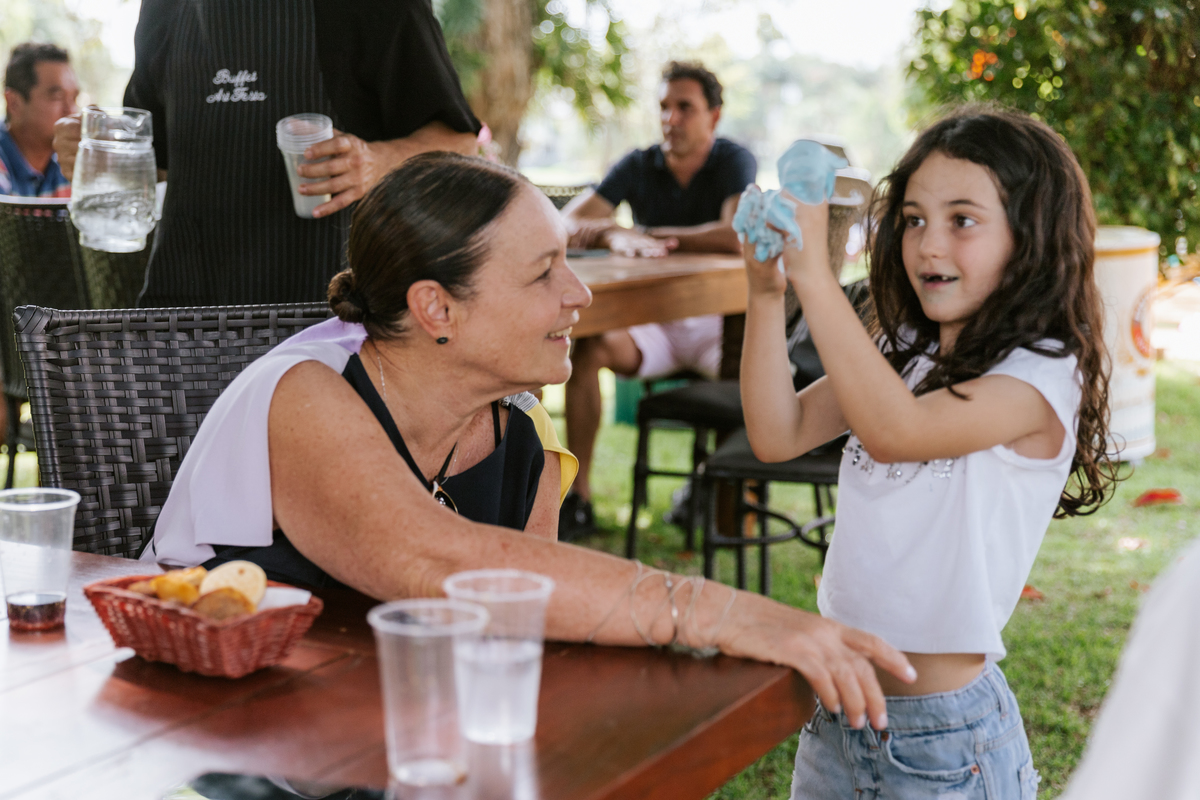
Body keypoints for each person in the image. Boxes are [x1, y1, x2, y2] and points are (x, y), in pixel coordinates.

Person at [143, 152, 917, 727]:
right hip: (205, 739)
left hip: (392, 730)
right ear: (437, 308)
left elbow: (533, 619)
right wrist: (730, 615)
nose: (579, 293)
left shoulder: (519, 427)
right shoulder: (306, 392)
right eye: (545, 272)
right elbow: (438, 563)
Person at [738, 108, 1117, 797]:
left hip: (946, 742)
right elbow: (778, 433)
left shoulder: (1040, 377)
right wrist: (767, 295)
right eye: (913, 219)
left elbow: (898, 433)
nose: (927, 244)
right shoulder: (901, 352)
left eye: (962, 220)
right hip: (839, 712)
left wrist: (817, 277)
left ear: (1031, 235)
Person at [53, 0, 480, 308]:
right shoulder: (166, 8)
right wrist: (97, 157)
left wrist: (376, 161)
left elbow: (460, 142)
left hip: (331, 317)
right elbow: (156, 159)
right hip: (185, 315)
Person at [559, 61, 755, 538]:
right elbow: (566, 222)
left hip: (716, 329)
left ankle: (722, 496)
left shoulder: (733, 161)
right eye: (664, 107)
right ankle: (578, 499)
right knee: (587, 347)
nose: (671, 119)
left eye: (685, 108)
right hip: (654, 327)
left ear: (714, 116)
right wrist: (613, 233)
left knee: (754, 374)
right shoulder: (639, 164)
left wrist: (648, 233)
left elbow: (736, 235)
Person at [1, 43, 77, 198]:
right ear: (14, 103)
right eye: (57, 97)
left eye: (74, 98)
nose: (71, 110)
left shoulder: (72, 163)